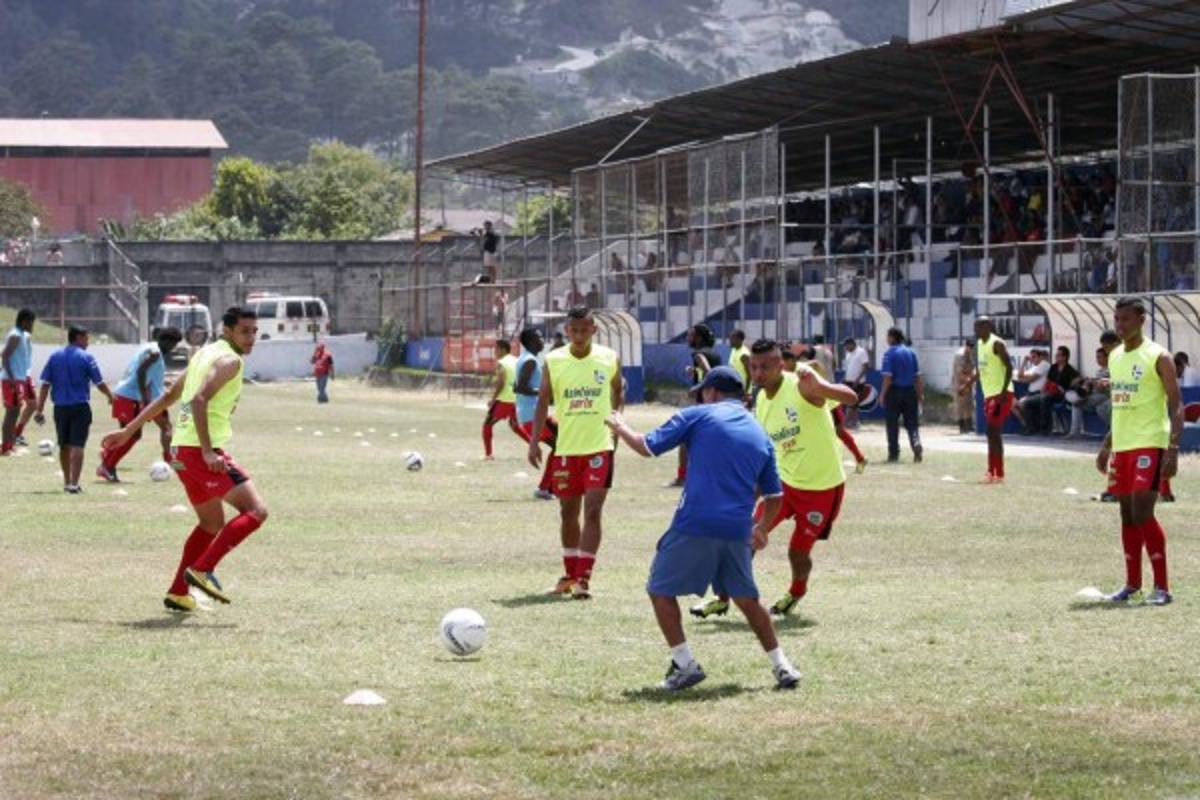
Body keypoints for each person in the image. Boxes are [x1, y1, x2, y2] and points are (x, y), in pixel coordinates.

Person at [605, 365, 801, 691]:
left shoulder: (699, 414)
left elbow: (646, 446)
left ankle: (685, 664)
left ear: (711, 393)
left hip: (695, 521)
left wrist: (619, 425)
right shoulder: (759, 433)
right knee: (747, 599)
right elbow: (775, 496)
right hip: (738, 528)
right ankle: (782, 666)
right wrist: (761, 528)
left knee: (659, 589)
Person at [101, 307, 269, 613]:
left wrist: (129, 430)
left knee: (211, 523)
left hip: (180, 452)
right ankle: (202, 570)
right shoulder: (229, 361)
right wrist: (207, 451)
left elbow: (167, 398)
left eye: (254, 331)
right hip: (198, 452)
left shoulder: (204, 354)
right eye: (245, 331)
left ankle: (179, 593)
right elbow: (199, 399)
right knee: (256, 511)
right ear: (228, 331)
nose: (251, 337)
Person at [693, 340, 858, 619]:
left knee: (797, 552)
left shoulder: (803, 385)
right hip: (783, 486)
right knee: (746, 536)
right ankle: (722, 598)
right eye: (755, 367)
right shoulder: (760, 399)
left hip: (822, 487)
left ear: (780, 365)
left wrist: (822, 387)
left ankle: (795, 592)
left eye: (766, 367)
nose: (759, 373)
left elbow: (851, 397)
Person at [528, 306, 623, 599]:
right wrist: (534, 442)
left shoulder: (609, 358)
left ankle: (584, 579)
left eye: (585, 329)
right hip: (567, 449)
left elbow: (618, 392)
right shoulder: (554, 360)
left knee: (593, 512)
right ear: (567, 331)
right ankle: (569, 575)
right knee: (567, 513)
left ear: (594, 330)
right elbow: (543, 401)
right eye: (574, 330)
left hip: (599, 447)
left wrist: (617, 425)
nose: (579, 335)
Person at [1097, 297, 1181, 606]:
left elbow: (1176, 404)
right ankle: (1132, 584)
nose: (1120, 325)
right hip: (1123, 445)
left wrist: (1172, 450)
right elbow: (1121, 406)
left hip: (1150, 442)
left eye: (1126, 320)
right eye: (1117, 320)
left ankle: (1162, 588)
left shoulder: (1159, 356)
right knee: (1126, 514)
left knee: (1144, 510)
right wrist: (1106, 446)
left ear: (1142, 319)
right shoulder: (1115, 356)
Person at [96, 327, 183, 482]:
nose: (173, 349)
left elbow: (147, 373)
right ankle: (107, 465)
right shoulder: (155, 353)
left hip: (144, 398)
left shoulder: (148, 347)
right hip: (130, 396)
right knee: (133, 434)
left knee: (165, 427)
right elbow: (141, 372)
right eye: (173, 345)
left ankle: (170, 459)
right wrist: (144, 398)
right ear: (166, 341)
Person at [35, 326, 113, 493]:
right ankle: (74, 484)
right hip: (80, 407)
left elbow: (45, 385)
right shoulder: (86, 357)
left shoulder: (55, 356)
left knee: (64, 445)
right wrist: (110, 396)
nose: (88, 342)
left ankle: (66, 481)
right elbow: (99, 382)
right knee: (78, 445)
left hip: (60, 408)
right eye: (86, 338)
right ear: (78, 337)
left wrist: (39, 409)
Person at [668, 324, 721, 488]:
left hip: (703, 404)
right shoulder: (715, 354)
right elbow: (712, 371)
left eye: (690, 335)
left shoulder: (698, 354)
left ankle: (682, 477)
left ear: (698, 338)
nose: (687, 338)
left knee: (684, 440)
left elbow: (710, 373)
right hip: (715, 402)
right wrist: (695, 370)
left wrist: (697, 387)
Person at [964, 316, 1014, 483]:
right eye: (975, 326)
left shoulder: (997, 343)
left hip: (1002, 395)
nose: (976, 330)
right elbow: (981, 370)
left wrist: (1002, 391)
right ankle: (994, 472)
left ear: (988, 327)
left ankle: (996, 473)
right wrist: (967, 385)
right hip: (989, 395)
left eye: (979, 326)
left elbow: (1009, 367)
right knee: (992, 434)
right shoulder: (979, 344)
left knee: (992, 432)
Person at [513, 327, 556, 501]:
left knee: (564, 443)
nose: (542, 340)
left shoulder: (526, 359)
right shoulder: (530, 361)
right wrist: (544, 392)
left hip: (532, 414)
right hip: (532, 416)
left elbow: (517, 386)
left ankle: (552, 486)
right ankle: (545, 488)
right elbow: (520, 387)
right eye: (539, 337)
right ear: (530, 341)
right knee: (561, 447)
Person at [879, 327, 923, 463]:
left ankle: (893, 453)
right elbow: (917, 377)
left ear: (892, 337)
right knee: (912, 423)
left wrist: (882, 395)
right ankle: (916, 443)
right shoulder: (911, 353)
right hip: (910, 391)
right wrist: (920, 395)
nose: (886, 339)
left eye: (887, 336)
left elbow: (888, 378)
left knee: (892, 424)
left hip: (894, 392)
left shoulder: (889, 354)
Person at [1, 308, 37, 455]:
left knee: (15, 412)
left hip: (18, 379)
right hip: (12, 380)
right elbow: (4, 356)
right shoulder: (16, 335)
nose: (32, 326)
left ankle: (10, 446)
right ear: (24, 321)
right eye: (31, 322)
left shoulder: (21, 334)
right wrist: (12, 378)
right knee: (11, 413)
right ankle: (5, 448)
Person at [481, 339, 520, 460]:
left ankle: (488, 455)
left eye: (496, 349)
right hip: (517, 399)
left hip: (504, 399)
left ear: (503, 349)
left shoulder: (501, 363)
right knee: (515, 426)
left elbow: (501, 382)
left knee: (487, 425)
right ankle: (533, 445)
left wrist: (493, 399)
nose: (494, 351)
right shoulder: (517, 361)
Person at [1025, 347, 1078, 435]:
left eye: (1058, 355)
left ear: (1064, 357)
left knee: (1045, 399)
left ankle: (1046, 428)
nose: (1056, 357)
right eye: (1056, 355)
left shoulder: (1070, 369)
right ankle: (1032, 428)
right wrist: (1043, 389)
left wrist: (1066, 388)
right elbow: (1048, 380)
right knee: (1028, 402)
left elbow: (1077, 379)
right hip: (1049, 392)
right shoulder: (1053, 367)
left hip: (1060, 395)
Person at [1015, 349, 1051, 434]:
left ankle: (1030, 428)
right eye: (1031, 357)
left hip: (1040, 393)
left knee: (1023, 402)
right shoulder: (1035, 367)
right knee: (1016, 404)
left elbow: (1031, 379)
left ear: (1040, 357)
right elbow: (1020, 375)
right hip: (1031, 394)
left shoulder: (1044, 364)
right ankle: (1029, 427)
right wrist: (1024, 362)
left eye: (1034, 357)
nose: (1032, 359)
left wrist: (1022, 380)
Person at [842, 337, 870, 428]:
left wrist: (857, 380)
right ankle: (855, 422)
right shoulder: (848, 354)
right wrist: (845, 378)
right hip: (848, 381)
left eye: (846, 346)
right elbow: (848, 367)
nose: (845, 348)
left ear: (852, 344)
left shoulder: (861, 352)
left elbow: (866, 367)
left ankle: (845, 423)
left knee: (852, 402)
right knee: (852, 403)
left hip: (858, 382)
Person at [951, 339, 975, 434]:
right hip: (959, 382)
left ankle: (969, 425)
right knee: (960, 404)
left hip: (967, 381)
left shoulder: (970, 354)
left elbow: (972, 368)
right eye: (970, 347)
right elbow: (959, 372)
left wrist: (970, 380)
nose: (971, 350)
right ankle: (961, 426)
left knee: (969, 403)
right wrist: (969, 380)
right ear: (966, 346)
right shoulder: (960, 355)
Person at [728, 329, 751, 402]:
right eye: (730, 338)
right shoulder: (734, 350)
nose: (730, 341)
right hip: (733, 388)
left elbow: (750, 375)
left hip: (742, 391)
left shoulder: (744, 355)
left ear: (740, 340)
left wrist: (746, 392)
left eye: (732, 338)